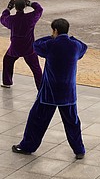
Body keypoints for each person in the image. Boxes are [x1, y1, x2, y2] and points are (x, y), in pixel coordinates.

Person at [12, 18, 87, 158]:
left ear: (55, 30)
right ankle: (79, 150)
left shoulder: (50, 45)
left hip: (50, 92)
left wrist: (53, 38)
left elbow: (36, 44)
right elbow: (84, 46)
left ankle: (27, 146)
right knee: (72, 122)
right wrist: (69, 38)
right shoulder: (75, 47)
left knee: (36, 119)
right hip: (68, 92)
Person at [0, 0, 44, 89]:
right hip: (29, 48)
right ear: (25, 7)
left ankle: (7, 82)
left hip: (15, 47)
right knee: (36, 68)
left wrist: (8, 9)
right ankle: (41, 87)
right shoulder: (30, 18)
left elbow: (3, 19)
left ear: (15, 7)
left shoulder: (12, 20)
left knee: (7, 61)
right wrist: (31, 3)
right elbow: (39, 10)